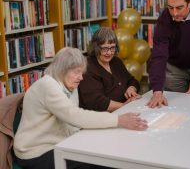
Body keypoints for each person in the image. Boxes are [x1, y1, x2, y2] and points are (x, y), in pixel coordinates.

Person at [13, 47, 148, 169]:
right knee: (99, 161)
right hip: (35, 152)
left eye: (82, 72)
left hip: (59, 143)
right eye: (77, 72)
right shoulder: (48, 86)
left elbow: (74, 122)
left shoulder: (68, 84)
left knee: (105, 151)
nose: (81, 77)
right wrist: (119, 120)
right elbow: (75, 116)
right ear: (62, 70)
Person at [78, 27, 140, 112]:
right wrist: (124, 105)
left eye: (112, 48)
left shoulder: (116, 61)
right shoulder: (88, 67)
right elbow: (95, 101)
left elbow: (132, 80)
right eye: (105, 48)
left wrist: (131, 88)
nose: (109, 53)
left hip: (124, 110)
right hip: (103, 117)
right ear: (96, 48)